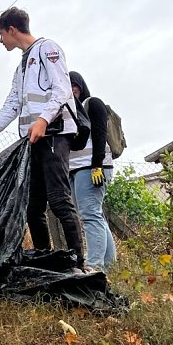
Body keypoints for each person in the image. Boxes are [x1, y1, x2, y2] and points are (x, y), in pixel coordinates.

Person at [0, 7, 85, 268]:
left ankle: (78, 261)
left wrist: (43, 120)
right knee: (33, 206)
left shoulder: (48, 49)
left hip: (54, 135)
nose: (1, 41)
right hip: (33, 141)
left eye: (1, 35)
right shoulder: (22, 67)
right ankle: (45, 259)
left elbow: (62, 89)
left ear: (12, 30)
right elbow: (12, 104)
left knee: (58, 199)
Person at [68, 71, 116, 272]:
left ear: (80, 85)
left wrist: (97, 165)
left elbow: (99, 134)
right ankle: (108, 263)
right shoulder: (68, 110)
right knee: (93, 214)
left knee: (90, 214)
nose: (71, 90)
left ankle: (95, 265)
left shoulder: (92, 103)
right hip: (76, 169)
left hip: (92, 167)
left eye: (74, 85)